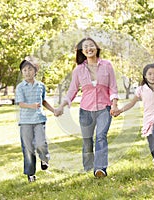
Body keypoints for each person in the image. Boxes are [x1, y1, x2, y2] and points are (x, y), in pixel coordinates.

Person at [55, 37, 119, 178]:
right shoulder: (78, 70)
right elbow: (72, 90)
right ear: (82, 51)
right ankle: (88, 168)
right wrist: (61, 106)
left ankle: (100, 169)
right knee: (87, 140)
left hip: (104, 108)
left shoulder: (107, 65)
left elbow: (113, 87)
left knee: (101, 137)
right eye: (85, 47)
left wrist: (114, 105)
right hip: (86, 110)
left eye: (91, 45)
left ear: (96, 48)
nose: (89, 48)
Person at [15, 56, 56, 182]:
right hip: (25, 121)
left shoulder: (41, 86)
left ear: (35, 71)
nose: (27, 72)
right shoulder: (20, 87)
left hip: (39, 119)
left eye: (29, 69)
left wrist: (54, 111)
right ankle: (30, 174)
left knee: (40, 143)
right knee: (28, 149)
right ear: (22, 72)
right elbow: (20, 103)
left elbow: (43, 101)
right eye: (24, 70)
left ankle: (44, 159)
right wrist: (31, 106)